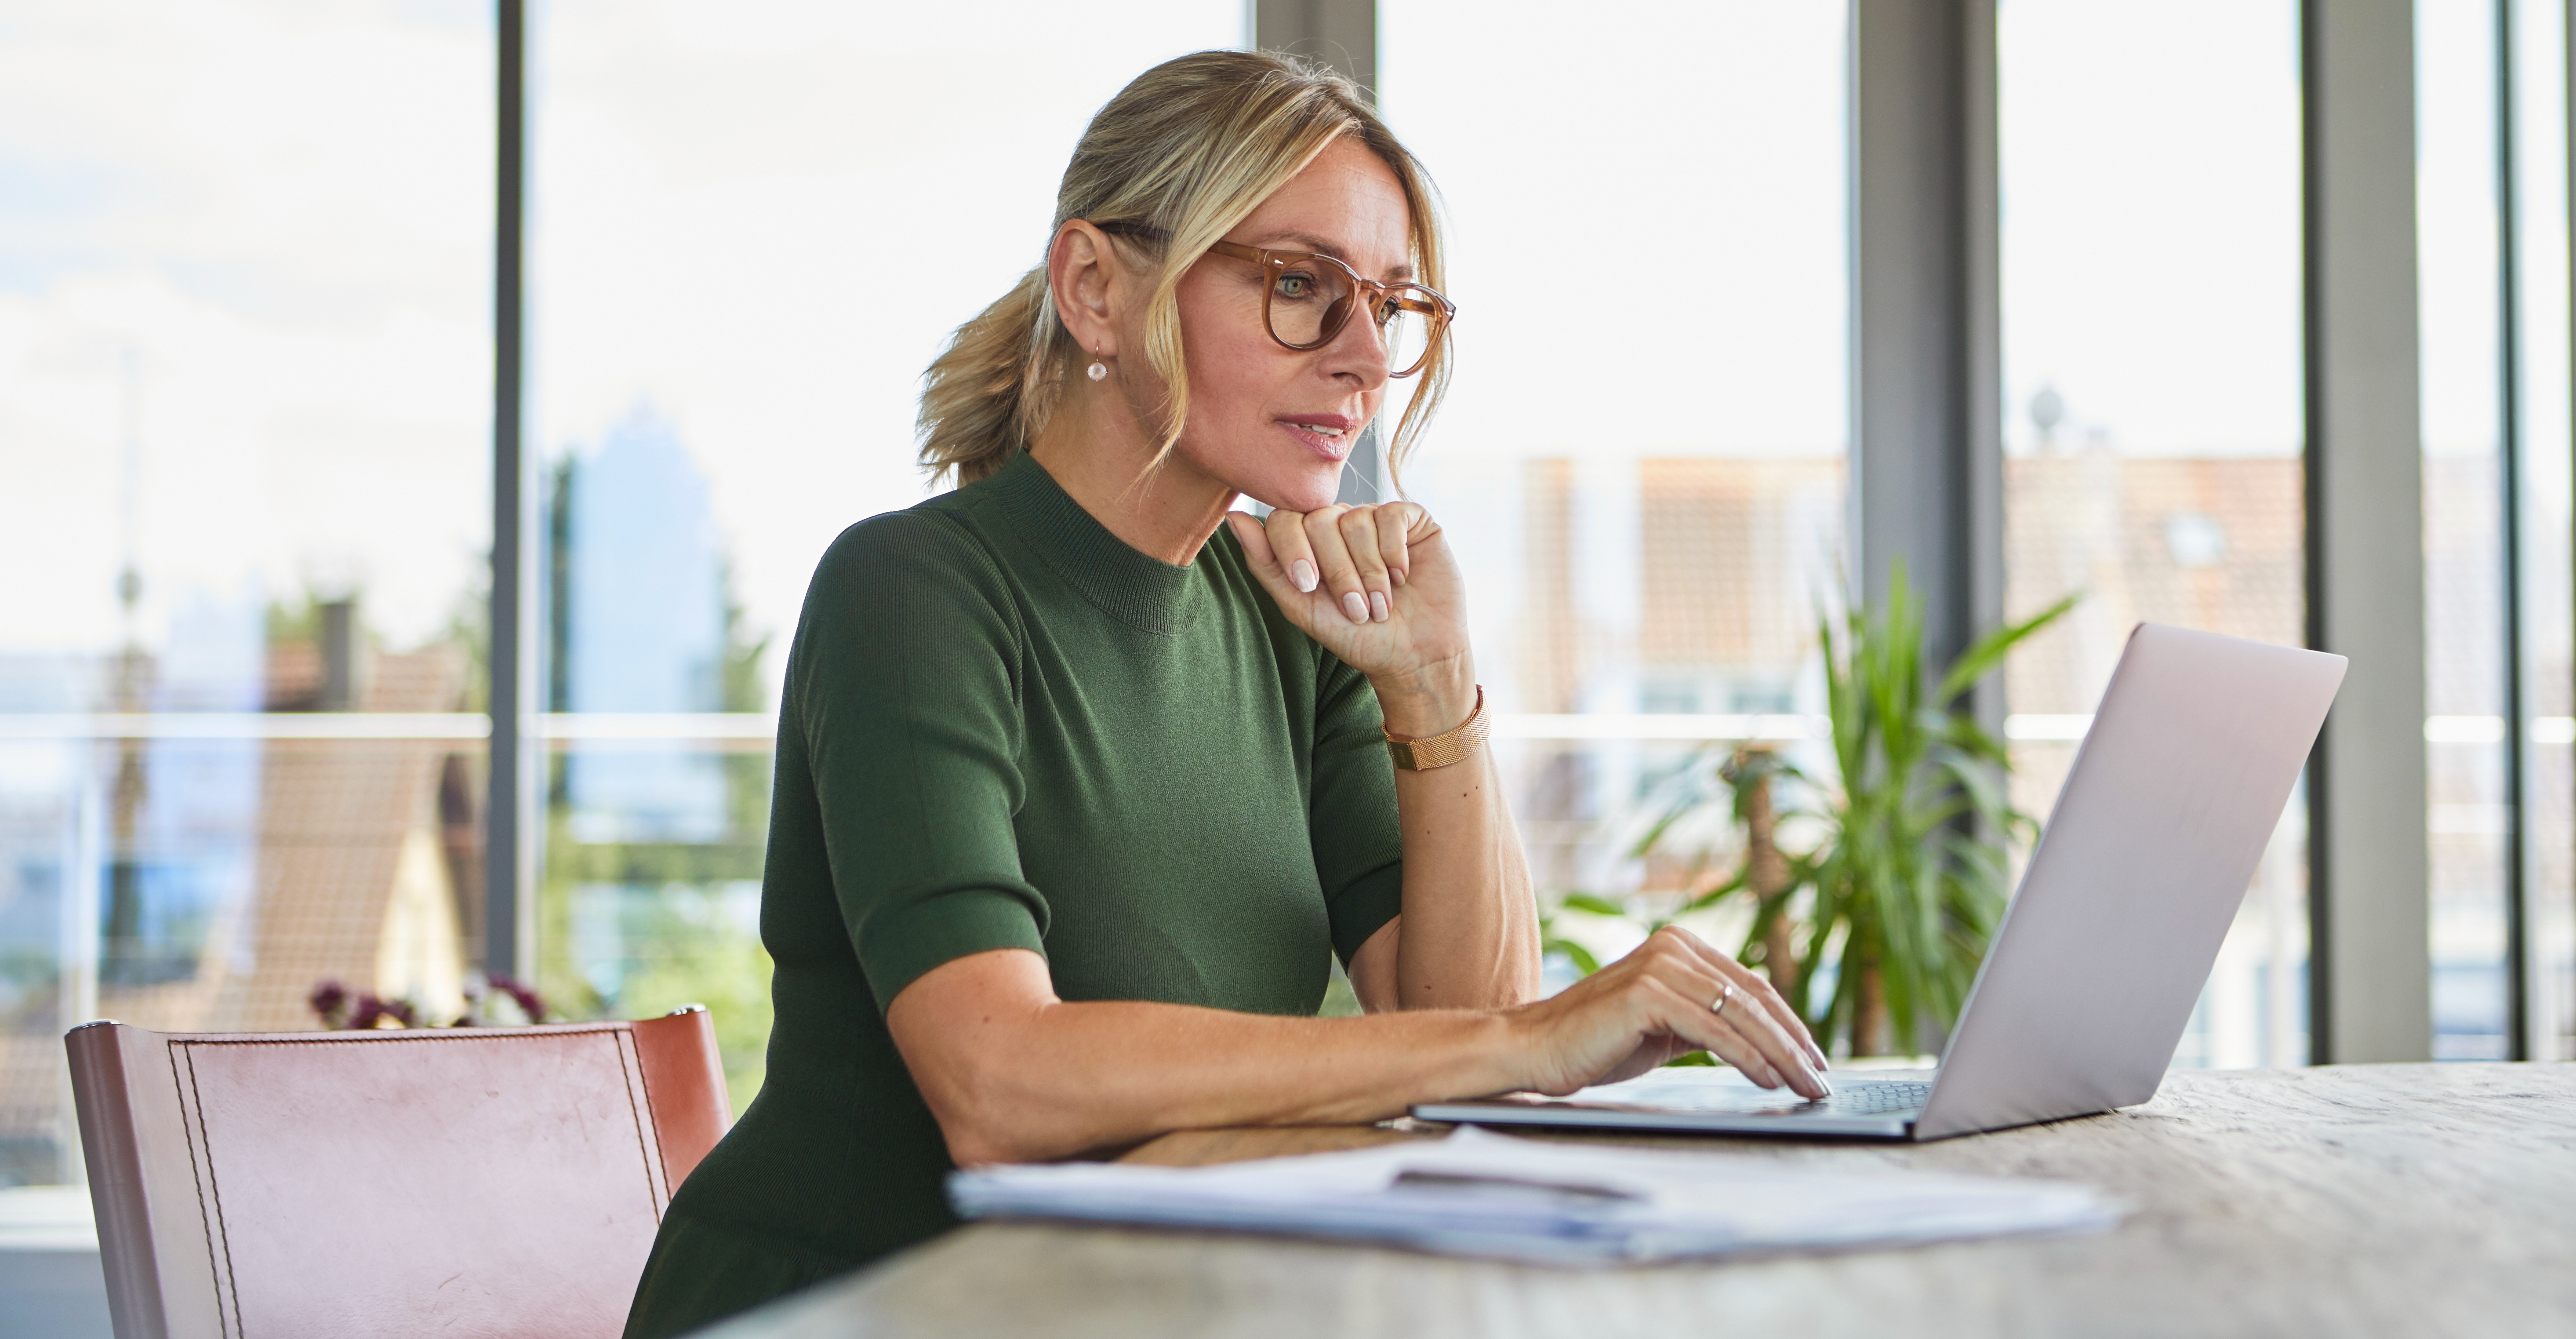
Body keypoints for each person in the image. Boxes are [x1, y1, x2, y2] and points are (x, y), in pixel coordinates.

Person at [621, 49, 1829, 1338]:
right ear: (1095, 287)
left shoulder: (1288, 616)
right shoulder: (912, 591)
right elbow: (1000, 1082)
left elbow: (1463, 1033)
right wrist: (1532, 1042)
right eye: (1302, 288)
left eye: (1392, 306)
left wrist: (1435, 688)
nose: (1367, 358)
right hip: (853, 1309)